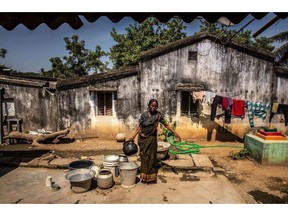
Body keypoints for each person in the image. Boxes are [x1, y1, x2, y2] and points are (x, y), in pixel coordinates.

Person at [129, 99, 181, 184]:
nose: (153, 107)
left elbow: (166, 124)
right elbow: (140, 127)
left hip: (152, 138)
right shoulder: (143, 115)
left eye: (155, 106)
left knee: (152, 157)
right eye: (152, 106)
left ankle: (151, 178)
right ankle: (144, 177)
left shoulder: (158, 115)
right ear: (148, 106)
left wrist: (174, 133)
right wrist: (133, 136)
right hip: (142, 139)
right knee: (144, 157)